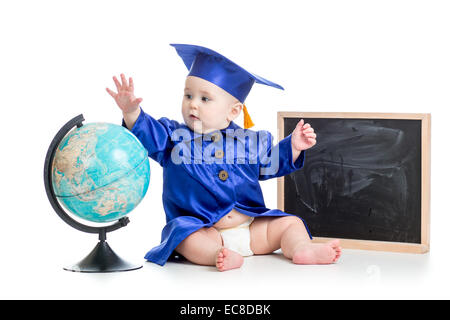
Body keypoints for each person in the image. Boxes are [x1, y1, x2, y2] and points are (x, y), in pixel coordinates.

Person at [106, 44, 341, 271]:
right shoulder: (172, 137)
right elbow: (149, 135)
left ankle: (301, 248)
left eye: (204, 99)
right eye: (188, 95)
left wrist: (294, 146)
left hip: (252, 227)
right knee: (182, 235)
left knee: (291, 223)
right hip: (204, 229)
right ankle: (217, 256)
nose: (193, 105)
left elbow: (270, 164)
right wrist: (131, 112)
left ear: (234, 111)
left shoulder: (249, 141)